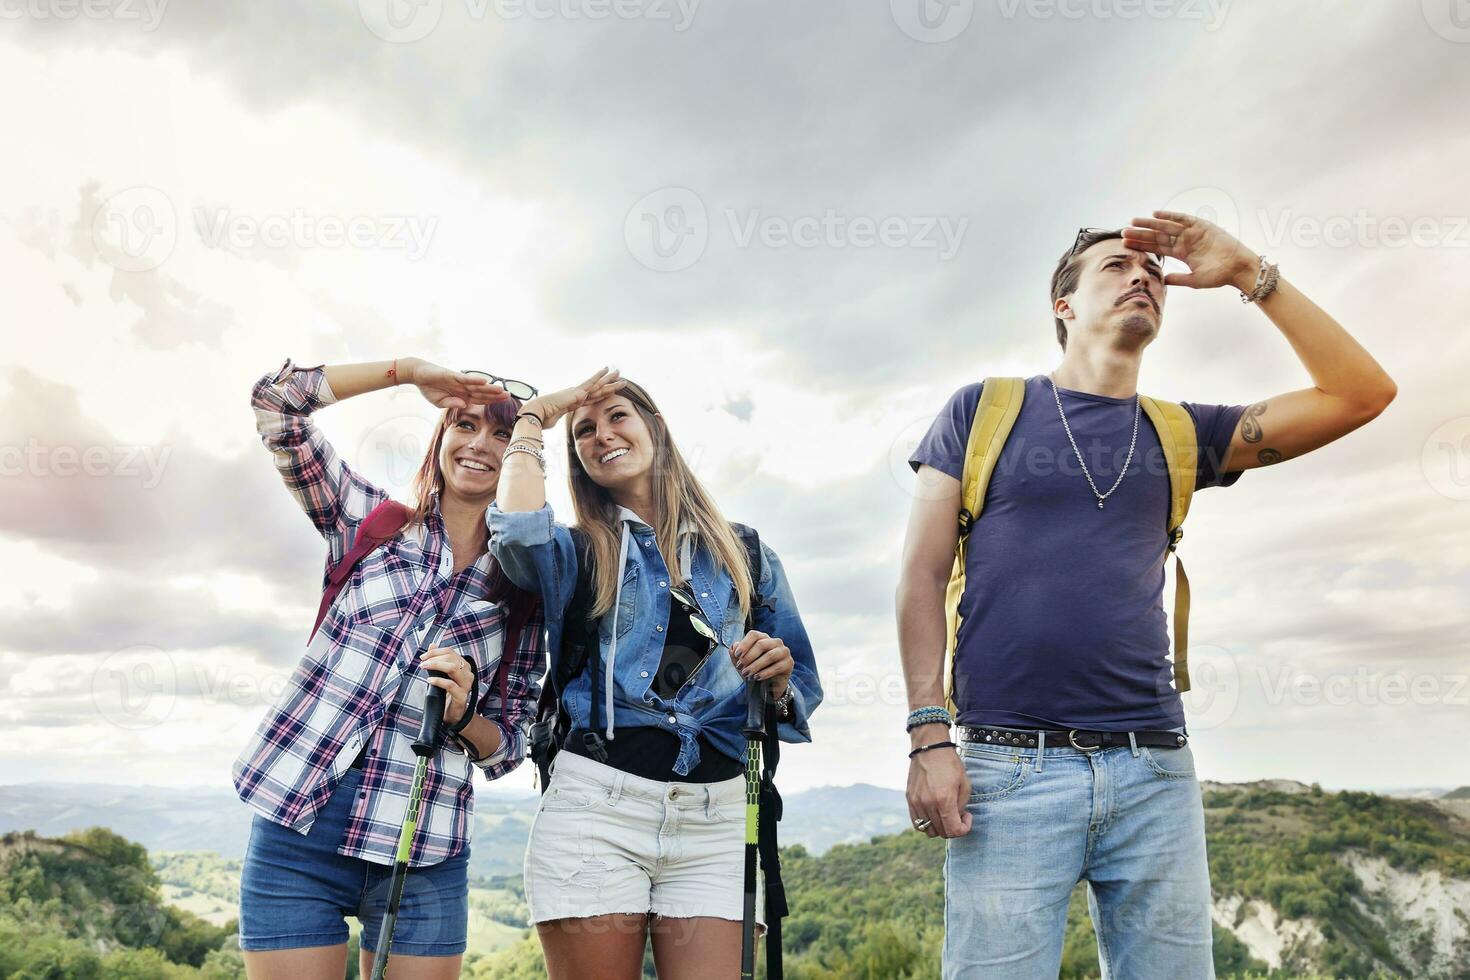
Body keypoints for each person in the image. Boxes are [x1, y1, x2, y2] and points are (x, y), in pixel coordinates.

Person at [897, 213, 1396, 979]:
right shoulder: (984, 411)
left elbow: (1362, 393)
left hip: (1154, 772)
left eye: (1154, 272)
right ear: (1063, 306)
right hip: (1009, 768)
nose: (1143, 277)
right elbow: (921, 577)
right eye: (1115, 267)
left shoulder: (1184, 433)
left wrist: (1247, 274)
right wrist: (930, 736)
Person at [487, 370, 823, 980]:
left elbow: (801, 689)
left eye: (618, 417)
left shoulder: (744, 551)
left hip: (719, 817)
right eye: (584, 431)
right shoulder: (576, 550)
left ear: (655, 430)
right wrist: (533, 420)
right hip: (596, 810)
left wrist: (777, 681)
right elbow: (515, 532)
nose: (601, 435)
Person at [232, 356, 546, 980]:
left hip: (423, 845)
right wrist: (405, 372)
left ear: (525, 461)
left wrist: (463, 717)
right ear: (441, 435)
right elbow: (276, 403)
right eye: (464, 424)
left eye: (505, 435)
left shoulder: (529, 585)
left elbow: (511, 745)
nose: (480, 444)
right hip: (300, 826)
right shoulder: (366, 520)